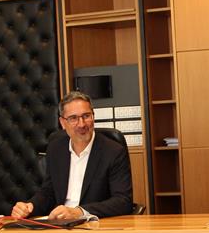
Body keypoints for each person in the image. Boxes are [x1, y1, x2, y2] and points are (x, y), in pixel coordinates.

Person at [11, 92, 133, 220]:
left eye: (86, 116)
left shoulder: (113, 151)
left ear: (93, 117)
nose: (82, 124)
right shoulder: (56, 148)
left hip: (94, 224)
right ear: (62, 123)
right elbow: (49, 192)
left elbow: (123, 201)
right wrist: (30, 206)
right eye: (73, 118)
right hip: (60, 223)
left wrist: (80, 212)